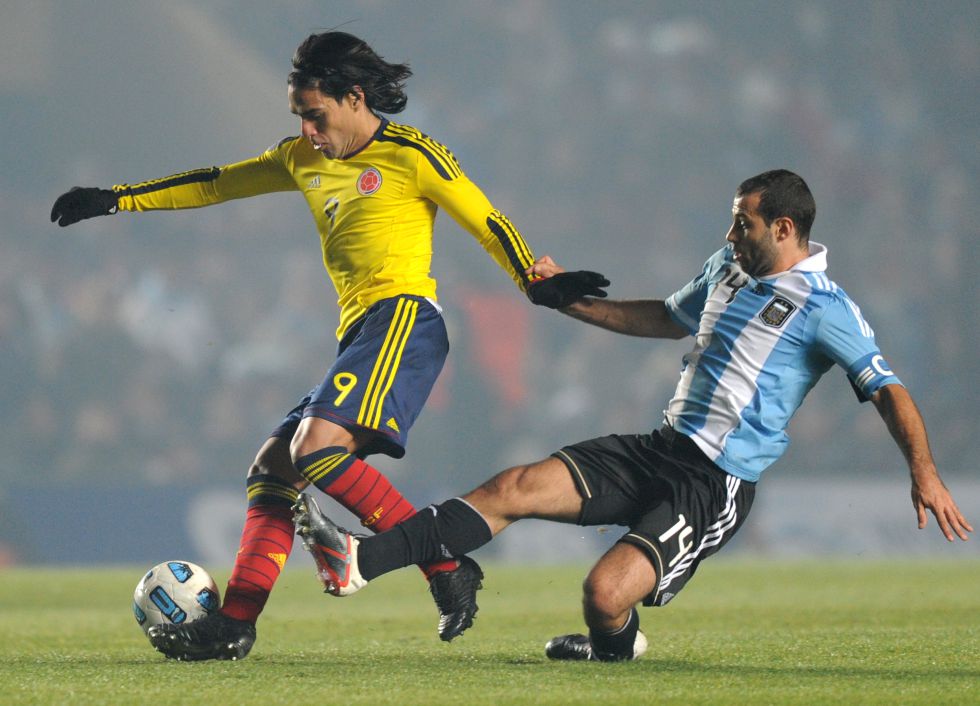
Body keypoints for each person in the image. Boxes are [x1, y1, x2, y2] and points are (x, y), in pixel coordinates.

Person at [50, 31, 608, 661]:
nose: (308, 130)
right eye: (299, 117)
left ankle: (444, 564)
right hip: (361, 335)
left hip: (405, 319)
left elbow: (484, 219)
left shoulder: (411, 153)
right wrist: (117, 199)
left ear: (354, 97)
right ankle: (235, 624)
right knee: (273, 468)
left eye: (315, 115)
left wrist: (538, 280)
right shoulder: (299, 158)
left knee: (313, 449)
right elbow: (213, 183)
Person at [292, 169, 973, 661]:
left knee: (603, 597)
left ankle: (613, 651)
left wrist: (926, 473)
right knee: (513, 487)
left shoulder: (828, 308)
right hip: (660, 447)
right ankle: (358, 562)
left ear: (785, 228)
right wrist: (567, 302)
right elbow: (665, 318)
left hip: (713, 486)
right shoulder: (728, 268)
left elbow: (888, 389)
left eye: (744, 222)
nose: (731, 232)